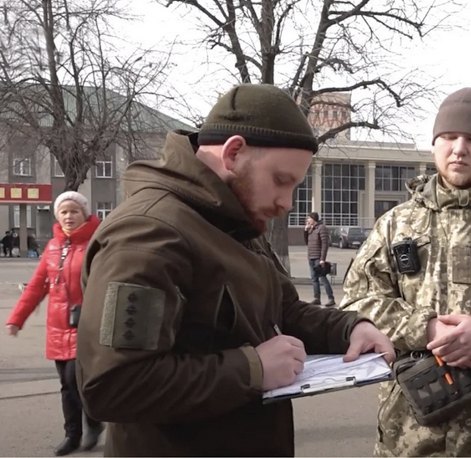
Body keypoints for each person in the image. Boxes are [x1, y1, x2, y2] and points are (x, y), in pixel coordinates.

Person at [75, 83, 395, 456]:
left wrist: (349, 327)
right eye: (280, 180)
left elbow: (282, 311)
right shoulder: (149, 234)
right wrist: (251, 369)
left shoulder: (234, 221)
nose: (286, 203)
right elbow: (115, 385)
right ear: (233, 153)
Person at [341, 87, 471, 456]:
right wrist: (428, 328)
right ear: (435, 142)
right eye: (449, 137)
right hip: (410, 432)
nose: (459, 148)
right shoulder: (396, 225)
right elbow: (357, 303)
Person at [5, 191, 104, 456]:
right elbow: (37, 286)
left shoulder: (97, 244)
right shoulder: (53, 247)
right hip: (58, 326)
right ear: (58, 216)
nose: (69, 216)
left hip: (87, 324)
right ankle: (73, 435)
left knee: (77, 381)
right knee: (67, 385)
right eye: (64, 212)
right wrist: (16, 319)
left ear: (84, 214)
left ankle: (93, 423)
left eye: (74, 211)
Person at [304, 211, 335, 306]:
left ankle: (331, 298)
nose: (307, 220)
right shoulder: (311, 229)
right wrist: (305, 231)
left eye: (309, 218)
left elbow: (325, 244)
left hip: (318, 257)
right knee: (314, 279)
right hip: (311, 257)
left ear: (313, 219)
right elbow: (306, 242)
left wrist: (322, 259)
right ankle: (317, 298)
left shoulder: (322, 228)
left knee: (322, 278)